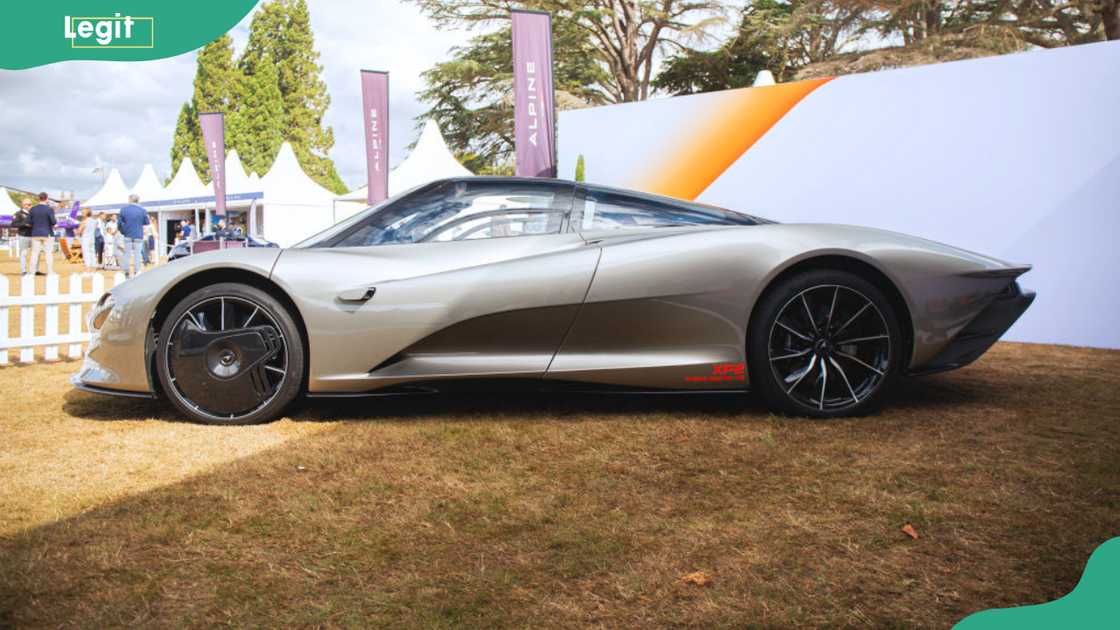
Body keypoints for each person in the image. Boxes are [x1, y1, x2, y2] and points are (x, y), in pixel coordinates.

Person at [117, 194, 149, 278]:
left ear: (130, 200)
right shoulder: (142, 210)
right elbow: (146, 222)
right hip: (138, 234)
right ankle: (136, 271)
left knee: (127, 254)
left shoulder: (123, 210)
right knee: (137, 254)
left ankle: (126, 272)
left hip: (127, 234)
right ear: (138, 200)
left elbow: (119, 224)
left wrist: (123, 231)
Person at [27, 192, 56, 276]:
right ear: (46, 198)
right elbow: (54, 222)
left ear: (38, 198)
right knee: (48, 253)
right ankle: (50, 272)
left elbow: (28, 222)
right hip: (47, 233)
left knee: (34, 253)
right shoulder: (49, 209)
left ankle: (32, 272)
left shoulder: (33, 209)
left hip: (35, 233)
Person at [12, 198, 33, 275]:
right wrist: (25, 224)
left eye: (30, 204)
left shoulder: (33, 213)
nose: (29, 206)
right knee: (23, 254)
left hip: (34, 236)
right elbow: (13, 224)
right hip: (24, 235)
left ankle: (33, 270)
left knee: (35, 254)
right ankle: (23, 271)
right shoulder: (18, 214)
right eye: (28, 204)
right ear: (23, 205)